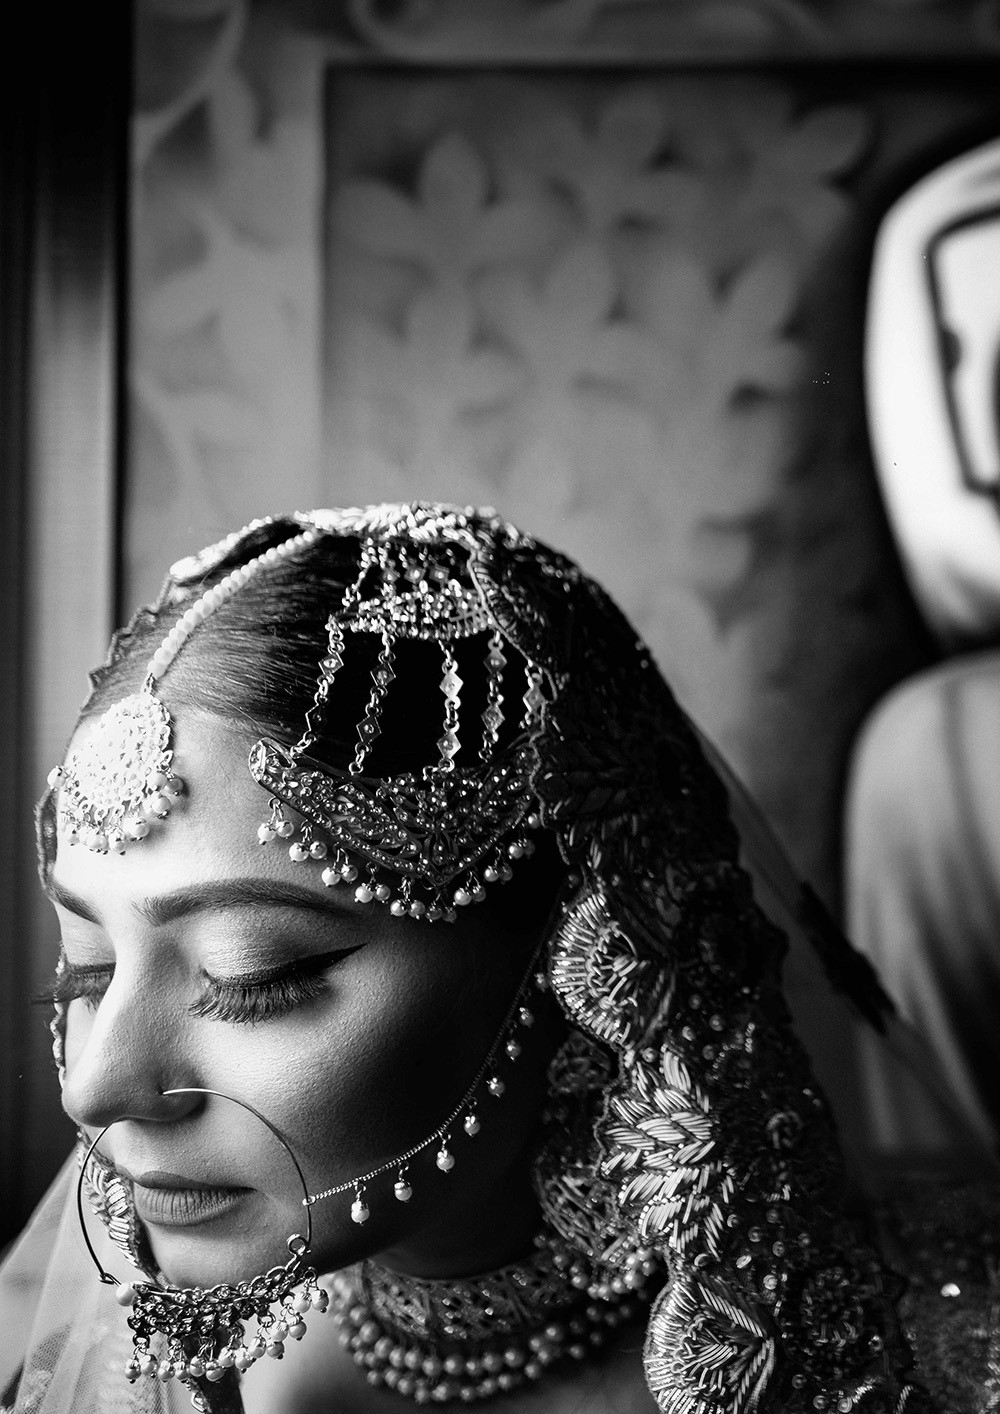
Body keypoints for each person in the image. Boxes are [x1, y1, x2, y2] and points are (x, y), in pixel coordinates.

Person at [0, 503, 995, 1414]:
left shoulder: (924, 1360)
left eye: (251, 976)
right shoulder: (91, 1363)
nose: (96, 1087)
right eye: (86, 971)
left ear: (579, 951)